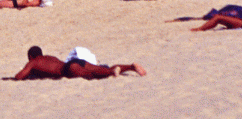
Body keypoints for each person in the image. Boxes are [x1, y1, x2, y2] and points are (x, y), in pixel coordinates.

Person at [12, 46, 146, 79]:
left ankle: (111, 71)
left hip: (68, 70)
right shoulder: (49, 57)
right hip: (75, 61)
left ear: (30, 56)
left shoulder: (33, 62)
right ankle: (130, 67)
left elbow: (19, 77)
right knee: (101, 69)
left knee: (93, 75)